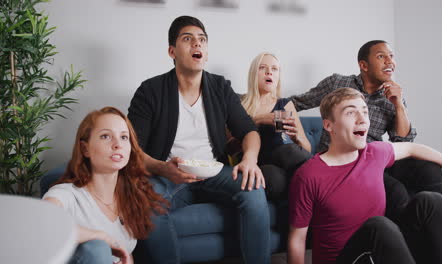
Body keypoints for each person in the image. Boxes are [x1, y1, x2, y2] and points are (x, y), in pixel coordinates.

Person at [127, 16, 270, 263]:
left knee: (253, 188)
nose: (197, 44)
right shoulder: (150, 91)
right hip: (168, 174)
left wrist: (249, 159)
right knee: (148, 202)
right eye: (188, 39)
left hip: (213, 171)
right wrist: (163, 168)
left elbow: (249, 131)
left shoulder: (220, 87)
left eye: (202, 40)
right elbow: (133, 149)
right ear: (172, 51)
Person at [288, 88, 442, 264]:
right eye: (351, 113)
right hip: (347, 259)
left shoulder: (374, 153)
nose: (362, 119)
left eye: (364, 112)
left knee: (431, 202)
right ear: (328, 125)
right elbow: (297, 239)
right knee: (379, 227)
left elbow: (413, 148)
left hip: (379, 254)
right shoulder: (308, 175)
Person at [288, 40, 442, 220]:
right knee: (396, 191)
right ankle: (402, 243)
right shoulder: (337, 82)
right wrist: (299, 136)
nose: (389, 61)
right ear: (363, 65)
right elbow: (295, 104)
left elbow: (402, 142)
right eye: (381, 56)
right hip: (343, 160)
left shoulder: (392, 96)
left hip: (375, 159)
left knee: (428, 168)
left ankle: (441, 233)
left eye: (391, 56)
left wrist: (399, 105)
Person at [43, 106, 168, 264]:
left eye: (124, 137)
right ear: (85, 148)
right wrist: (101, 237)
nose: (117, 144)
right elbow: (41, 225)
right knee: (97, 247)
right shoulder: (65, 194)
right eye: (105, 136)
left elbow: (125, 253)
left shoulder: (131, 198)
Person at [239, 52, 311, 200]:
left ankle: (320, 188)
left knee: (290, 151)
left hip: (281, 157)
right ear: (254, 74)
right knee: (274, 178)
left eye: (274, 69)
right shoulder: (239, 102)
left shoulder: (285, 104)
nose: (269, 72)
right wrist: (258, 120)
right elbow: (227, 145)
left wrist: (297, 138)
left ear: (278, 77)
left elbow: (307, 149)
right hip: (254, 161)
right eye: (263, 67)